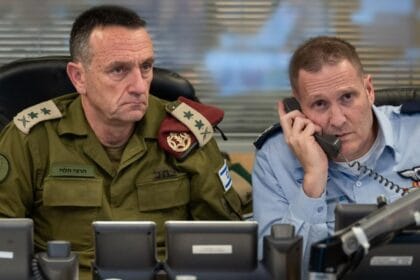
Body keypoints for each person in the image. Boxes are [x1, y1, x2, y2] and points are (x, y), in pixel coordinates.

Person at [0, 5, 243, 279]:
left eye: (146, 67)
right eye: (119, 70)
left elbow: (225, 244)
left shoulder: (187, 134)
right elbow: (3, 243)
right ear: (79, 77)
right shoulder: (31, 139)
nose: (139, 86)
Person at [252, 35, 420, 275]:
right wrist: (314, 179)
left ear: (369, 90)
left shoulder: (417, 133)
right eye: (320, 104)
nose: (338, 120)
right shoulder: (274, 159)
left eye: (347, 97)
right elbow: (277, 271)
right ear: (298, 109)